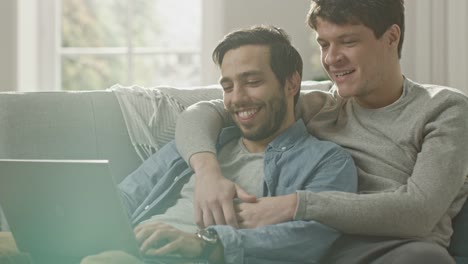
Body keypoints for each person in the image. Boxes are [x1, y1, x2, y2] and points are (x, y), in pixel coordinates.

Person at [174, 0, 468, 264]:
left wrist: (294, 205)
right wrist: (208, 174)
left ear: (391, 37)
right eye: (324, 44)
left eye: (347, 42)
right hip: (308, 245)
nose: (331, 58)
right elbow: (199, 114)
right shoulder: (321, 105)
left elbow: (418, 213)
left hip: (395, 251)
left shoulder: (443, 108)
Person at [81, 25, 357, 264]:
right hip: (123, 251)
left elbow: (310, 238)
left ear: (291, 83)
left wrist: (207, 243)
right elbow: (124, 198)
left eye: (252, 82)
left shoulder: (326, 160)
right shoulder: (199, 148)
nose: (237, 99)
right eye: (227, 87)